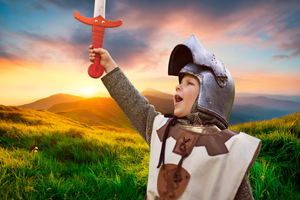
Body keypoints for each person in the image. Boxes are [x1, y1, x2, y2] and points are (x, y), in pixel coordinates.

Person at [88, 35, 261, 200]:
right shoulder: (162, 129)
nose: (178, 87)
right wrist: (109, 65)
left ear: (211, 95)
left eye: (189, 83)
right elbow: (135, 104)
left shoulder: (230, 150)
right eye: (179, 82)